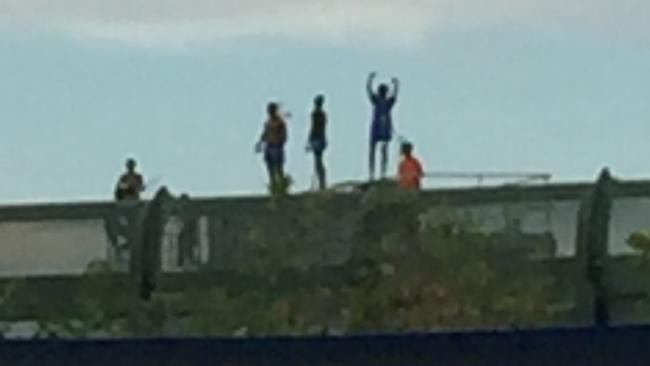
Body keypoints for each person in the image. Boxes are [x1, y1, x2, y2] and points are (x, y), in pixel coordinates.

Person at [367, 72, 399, 180]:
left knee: (381, 150)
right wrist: (369, 80)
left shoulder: (386, 102)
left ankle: (382, 172)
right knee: (375, 150)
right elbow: (369, 91)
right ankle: (374, 173)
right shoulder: (377, 101)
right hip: (378, 127)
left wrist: (396, 85)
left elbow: (394, 95)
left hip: (383, 128)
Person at [256, 102, 288, 193]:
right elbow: (264, 134)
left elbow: (284, 135)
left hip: (277, 147)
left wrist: (280, 143)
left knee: (279, 168)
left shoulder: (280, 122)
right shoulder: (268, 122)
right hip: (268, 147)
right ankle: (273, 187)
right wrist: (260, 143)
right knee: (270, 169)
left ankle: (282, 188)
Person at [306, 94, 328, 190]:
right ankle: (321, 182)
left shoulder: (317, 114)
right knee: (318, 161)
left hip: (318, 138)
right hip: (320, 138)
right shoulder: (321, 114)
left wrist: (310, 139)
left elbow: (314, 128)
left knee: (318, 161)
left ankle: (322, 183)